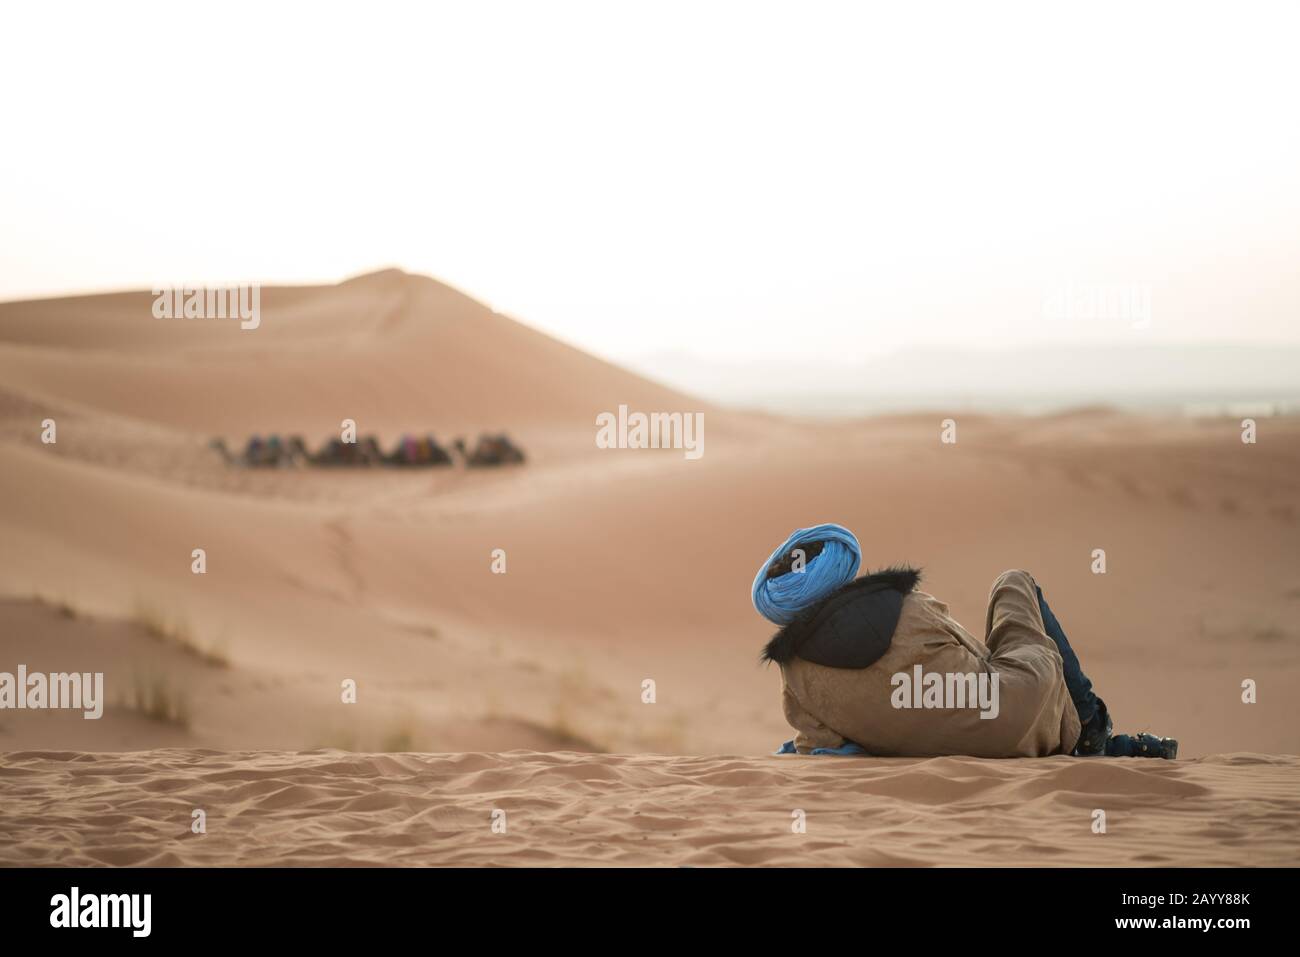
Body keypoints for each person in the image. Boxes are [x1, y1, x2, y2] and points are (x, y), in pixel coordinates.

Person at [754, 523, 1177, 759]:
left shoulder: (795, 679)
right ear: (839, 570)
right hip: (1019, 710)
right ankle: (1091, 730)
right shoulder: (908, 605)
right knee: (1014, 582)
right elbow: (975, 655)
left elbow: (825, 749)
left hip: (938, 751)